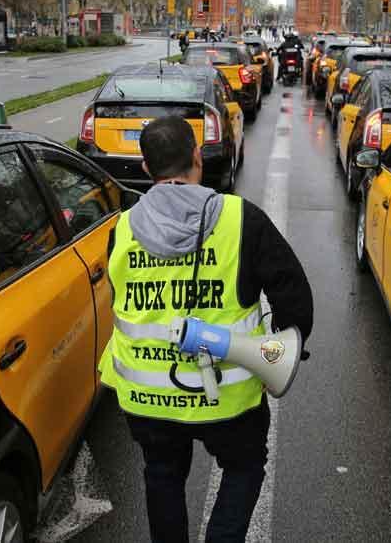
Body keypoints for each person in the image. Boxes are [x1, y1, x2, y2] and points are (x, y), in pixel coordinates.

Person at [100, 116, 313, 543]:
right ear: (198, 157)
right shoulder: (240, 218)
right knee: (243, 467)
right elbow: (293, 294)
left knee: (161, 475)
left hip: (146, 397)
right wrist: (290, 340)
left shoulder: (122, 228)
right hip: (227, 397)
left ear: (146, 169)